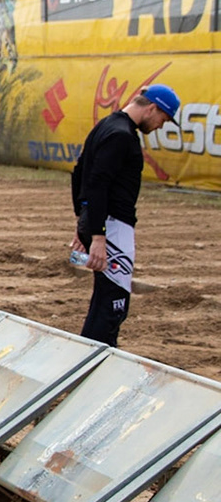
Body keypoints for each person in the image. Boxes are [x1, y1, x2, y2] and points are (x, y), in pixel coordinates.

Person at [70, 83, 179, 345]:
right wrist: (97, 235)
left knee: (105, 298)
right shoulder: (122, 136)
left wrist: (84, 221)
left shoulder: (107, 125)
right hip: (113, 228)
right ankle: (96, 358)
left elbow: (79, 173)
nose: (160, 126)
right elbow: (97, 183)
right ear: (151, 108)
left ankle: (89, 354)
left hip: (101, 223)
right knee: (113, 302)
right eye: (163, 119)